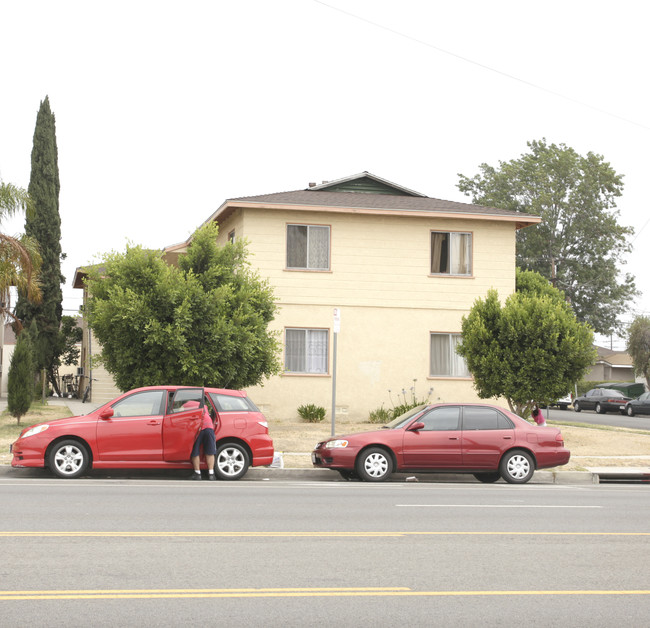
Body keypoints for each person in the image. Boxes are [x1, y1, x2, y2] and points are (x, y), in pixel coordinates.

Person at [190, 401, 217, 480]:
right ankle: (211, 474)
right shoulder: (204, 406)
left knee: (195, 450)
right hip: (209, 427)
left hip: (198, 429)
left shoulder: (187, 404)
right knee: (210, 451)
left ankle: (197, 474)